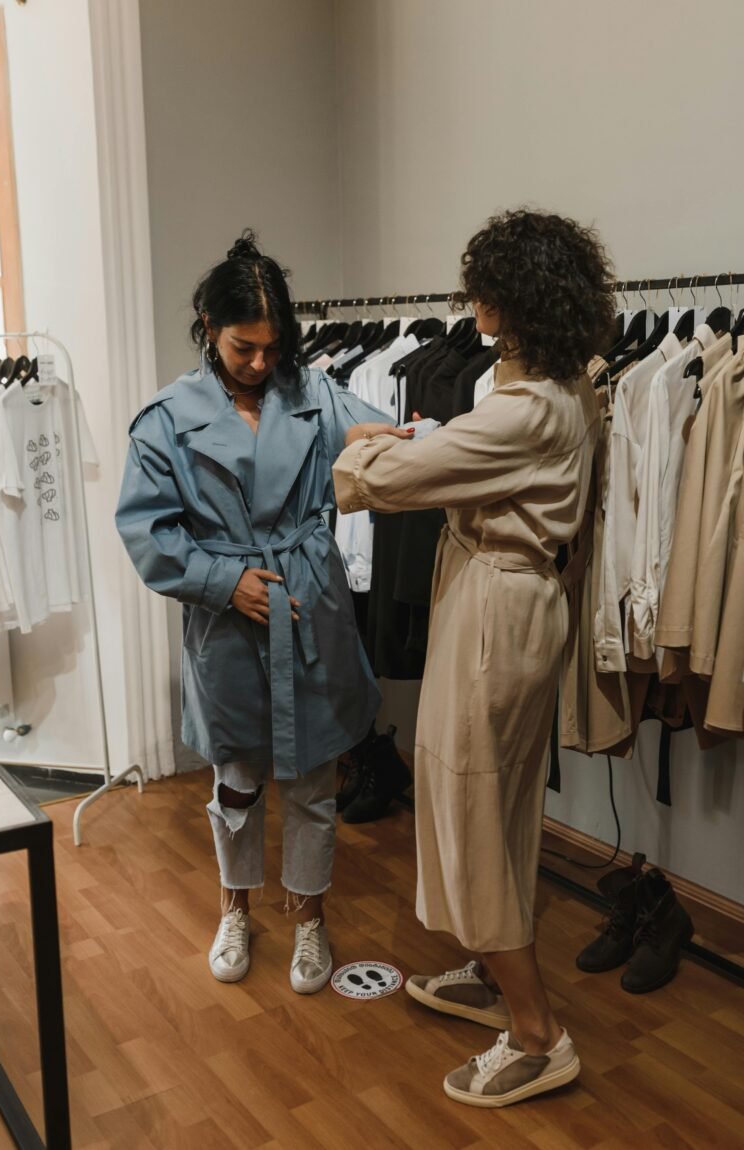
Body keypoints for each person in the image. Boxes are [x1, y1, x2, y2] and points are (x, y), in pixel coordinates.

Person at [333, 209, 614, 1105]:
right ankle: (496, 978)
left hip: (496, 602)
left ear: (513, 298)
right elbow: (461, 454)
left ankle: (536, 1034)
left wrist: (361, 447)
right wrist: (424, 444)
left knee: (467, 802)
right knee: (499, 798)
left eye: (485, 285)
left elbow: (382, 483)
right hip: (511, 596)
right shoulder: (559, 382)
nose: (473, 298)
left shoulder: (530, 406)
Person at [116, 231, 404, 994]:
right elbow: (147, 532)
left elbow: (376, 431)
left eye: (273, 348)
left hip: (308, 601)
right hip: (228, 620)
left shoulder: (313, 392)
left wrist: (381, 440)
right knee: (237, 779)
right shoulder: (166, 421)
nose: (259, 364)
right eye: (244, 347)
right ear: (209, 327)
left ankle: (309, 917)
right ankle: (234, 908)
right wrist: (222, 578)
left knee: (312, 777)